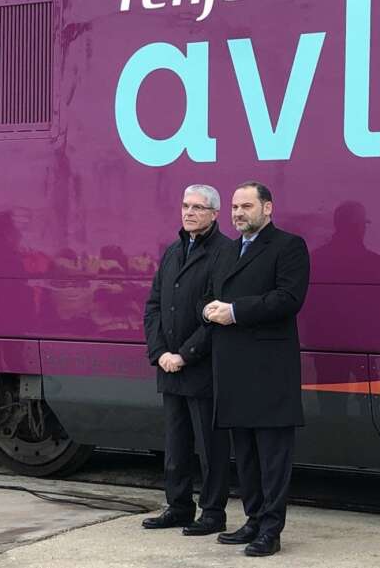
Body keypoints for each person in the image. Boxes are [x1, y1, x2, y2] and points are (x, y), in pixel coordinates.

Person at [197, 180, 310, 557]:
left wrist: (235, 312)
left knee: (272, 457)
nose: (238, 213)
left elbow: (288, 298)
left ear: (268, 208)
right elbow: (209, 294)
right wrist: (209, 310)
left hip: (269, 370)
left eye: (246, 206)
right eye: (234, 207)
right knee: (245, 454)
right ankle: (253, 519)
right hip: (233, 367)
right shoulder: (227, 251)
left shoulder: (288, 246)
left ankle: (271, 530)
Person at [142, 184, 233, 536]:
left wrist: (185, 354)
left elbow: (217, 316)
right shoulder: (173, 250)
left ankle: (213, 512)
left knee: (211, 446)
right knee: (175, 443)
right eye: (185, 206)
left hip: (203, 368)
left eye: (198, 207)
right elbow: (154, 306)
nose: (189, 212)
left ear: (214, 214)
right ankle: (178, 506)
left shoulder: (225, 253)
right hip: (170, 366)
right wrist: (161, 353)